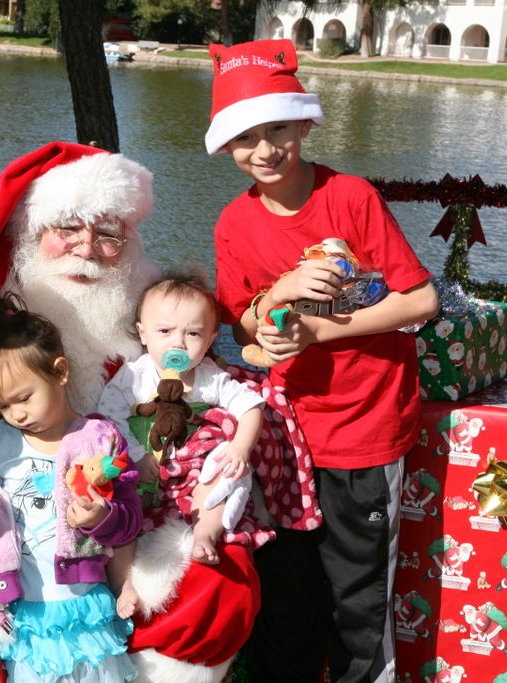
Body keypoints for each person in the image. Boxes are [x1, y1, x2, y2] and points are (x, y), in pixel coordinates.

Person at [0, 142, 263, 683]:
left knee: (219, 587)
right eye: (67, 229)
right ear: (31, 232)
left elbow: (209, 409)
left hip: (125, 523)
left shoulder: (153, 325)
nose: (87, 250)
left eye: (108, 234)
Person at [206, 39, 440, 683]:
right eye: (245, 138)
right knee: (289, 592)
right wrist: (275, 310)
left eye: (277, 128)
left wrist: (319, 333)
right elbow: (244, 319)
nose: (264, 150)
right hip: (284, 434)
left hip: (362, 427)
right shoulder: (234, 222)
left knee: (357, 597)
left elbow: (420, 300)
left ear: (305, 122)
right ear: (226, 147)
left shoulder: (351, 197)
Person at [0, 294, 142, 682]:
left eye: (24, 398)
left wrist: (101, 517)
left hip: (86, 604)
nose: (17, 414)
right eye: (1, 405)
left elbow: (131, 520)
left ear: (61, 372)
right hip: (25, 611)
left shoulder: (98, 438)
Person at [97, 274, 266, 615]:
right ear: (143, 333)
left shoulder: (208, 377)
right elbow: (107, 419)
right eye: (165, 332)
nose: (178, 343)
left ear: (210, 340)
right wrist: (138, 454)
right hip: (145, 472)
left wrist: (239, 449)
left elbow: (251, 406)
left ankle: (205, 534)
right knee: (122, 517)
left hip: (192, 476)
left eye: (192, 333)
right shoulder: (134, 376)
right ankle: (123, 584)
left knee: (219, 477)